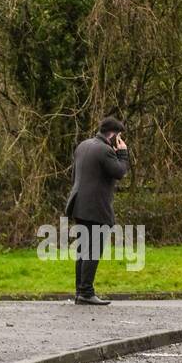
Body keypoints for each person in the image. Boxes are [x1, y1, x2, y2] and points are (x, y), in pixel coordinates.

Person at [64, 116, 129, 306]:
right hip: (96, 207)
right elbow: (120, 172)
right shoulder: (105, 150)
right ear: (115, 135)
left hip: (79, 204)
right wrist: (123, 153)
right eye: (119, 137)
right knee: (93, 250)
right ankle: (86, 292)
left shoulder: (83, 145)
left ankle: (80, 291)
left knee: (83, 250)